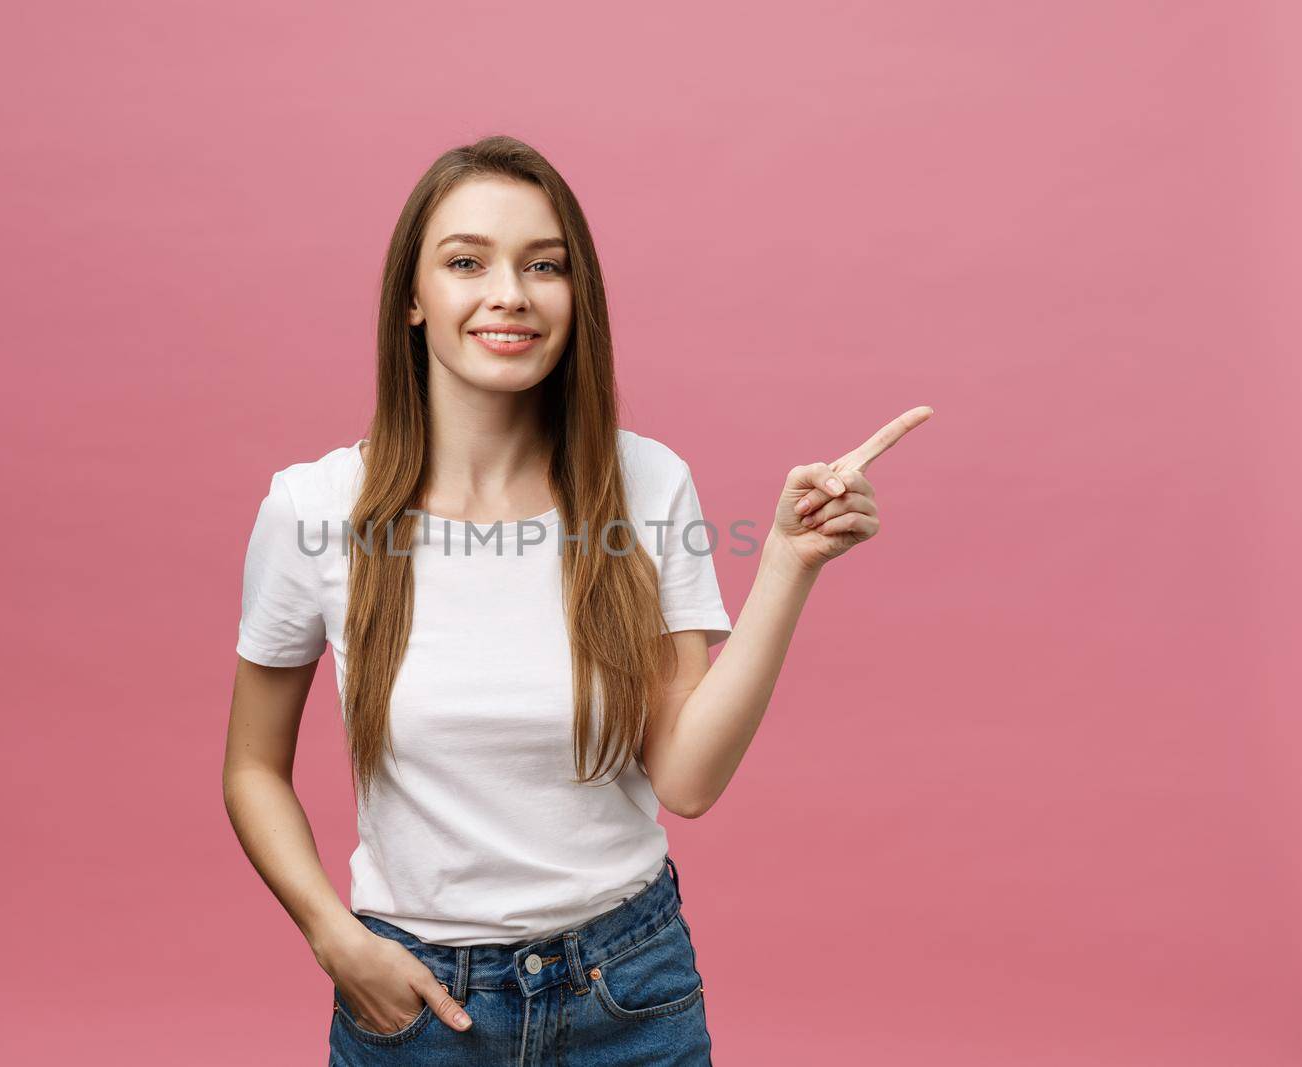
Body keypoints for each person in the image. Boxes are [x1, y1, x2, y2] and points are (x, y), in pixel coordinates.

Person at [223, 134, 932, 1065]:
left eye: (544, 265)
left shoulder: (646, 485)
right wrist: (335, 936)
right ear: (412, 297)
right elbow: (251, 768)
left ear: (576, 296)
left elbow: (686, 779)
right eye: (467, 261)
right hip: (418, 1005)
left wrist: (788, 564)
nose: (509, 292)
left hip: (627, 990)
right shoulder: (314, 509)